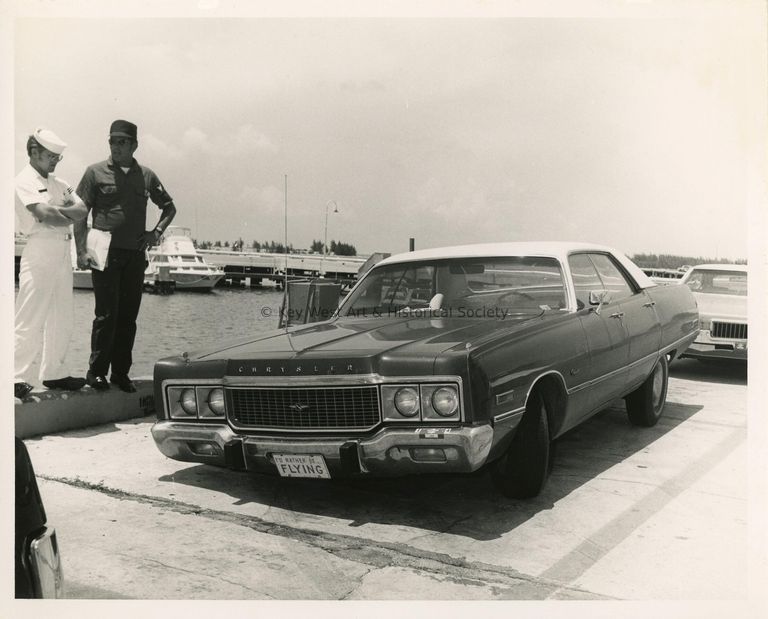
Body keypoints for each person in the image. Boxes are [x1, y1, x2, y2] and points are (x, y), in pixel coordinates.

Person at [74, 120, 177, 392]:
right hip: (103, 252)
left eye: (122, 142)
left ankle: (120, 373)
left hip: (134, 254)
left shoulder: (147, 176)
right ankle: (96, 373)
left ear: (134, 145)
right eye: (112, 141)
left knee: (128, 317)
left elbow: (169, 208)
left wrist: (155, 233)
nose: (115, 146)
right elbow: (79, 213)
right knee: (105, 315)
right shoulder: (94, 173)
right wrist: (81, 250)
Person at [14, 128, 89, 399]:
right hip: (40, 248)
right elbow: (44, 214)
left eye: (58, 156)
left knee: (62, 316)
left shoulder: (61, 183)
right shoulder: (24, 180)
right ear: (34, 152)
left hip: (62, 250)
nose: (55, 160)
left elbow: (82, 209)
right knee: (30, 315)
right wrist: (58, 213)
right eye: (50, 155)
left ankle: (54, 373)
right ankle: (14, 375)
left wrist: (57, 213)